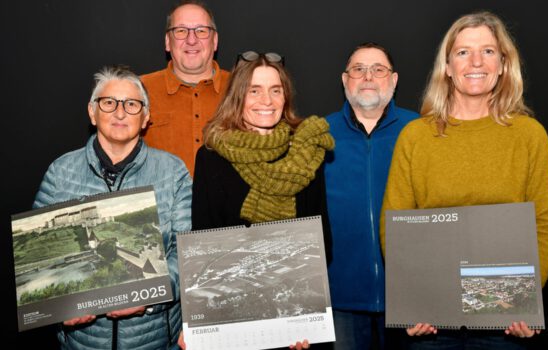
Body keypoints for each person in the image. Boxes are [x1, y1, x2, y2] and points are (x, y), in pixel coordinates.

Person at [380, 11, 548, 349]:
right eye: (463, 52)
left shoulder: (529, 135)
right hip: (431, 326)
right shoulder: (415, 137)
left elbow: (546, 225)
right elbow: (395, 225)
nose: (476, 61)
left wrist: (526, 298)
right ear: (447, 67)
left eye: (488, 51)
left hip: (504, 327)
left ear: (504, 63)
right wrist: (415, 299)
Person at [33, 66, 192, 349]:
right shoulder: (60, 172)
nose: (120, 113)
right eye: (109, 103)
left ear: (146, 117)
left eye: (132, 104)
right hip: (82, 343)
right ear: (92, 113)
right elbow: (37, 256)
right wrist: (59, 311)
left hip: (155, 340)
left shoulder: (173, 171)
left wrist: (147, 298)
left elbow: (186, 255)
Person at [188, 51, 334, 350]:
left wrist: (302, 310)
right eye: (254, 90)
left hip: (295, 326)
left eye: (275, 90)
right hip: (233, 320)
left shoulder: (306, 152)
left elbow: (322, 243)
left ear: (285, 98)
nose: (266, 100)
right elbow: (204, 243)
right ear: (238, 96)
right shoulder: (211, 158)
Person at [324, 43, 418, 349]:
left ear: (393, 80)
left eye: (378, 70)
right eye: (358, 69)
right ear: (344, 80)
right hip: (339, 299)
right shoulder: (318, 134)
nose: (367, 77)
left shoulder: (418, 131)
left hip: (409, 298)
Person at [142, 0, 230, 176]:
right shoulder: (139, 90)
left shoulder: (242, 89)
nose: (191, 40)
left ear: (215, 41)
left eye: (201, 31)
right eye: (181, 31)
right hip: (163, 203)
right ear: (168, 42)